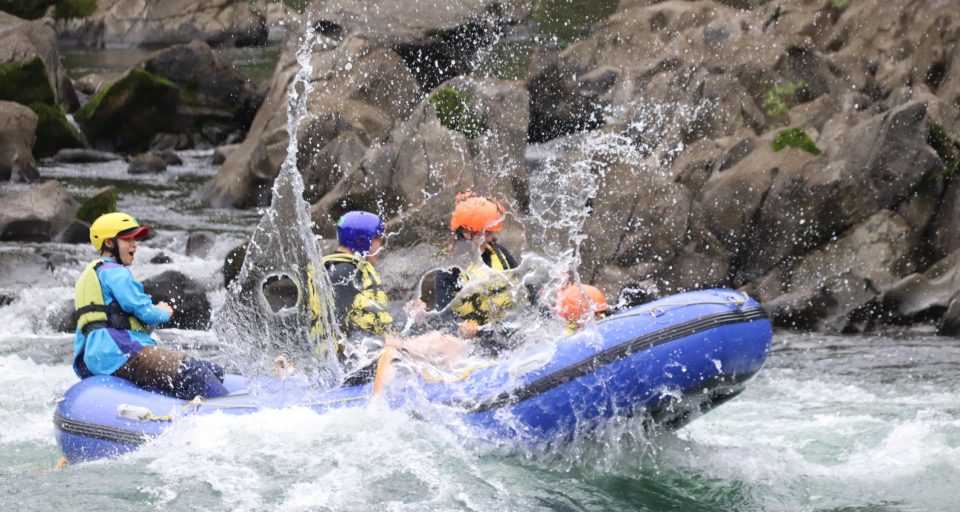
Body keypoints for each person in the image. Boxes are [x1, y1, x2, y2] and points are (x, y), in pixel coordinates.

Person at [74, 212, 228, 399]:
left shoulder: (89, 276)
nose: (134, 244)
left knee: (214, 370)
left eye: (135, 239)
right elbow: (145, 311)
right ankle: (228, 414)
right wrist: (162, 311)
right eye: (127, 239)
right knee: (194, 371)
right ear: (109, 243)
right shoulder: (116, 273)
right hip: (119, 351)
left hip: (96, 357)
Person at [323, 211, 464, 383]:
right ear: (363, 241)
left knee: (434, 336)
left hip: (355, 358)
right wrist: (389, 340)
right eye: (378, 240)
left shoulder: (339, 269)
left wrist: (407, 314)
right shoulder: (343, 273)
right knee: (449, 344)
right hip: (354, 366)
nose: (381, 247)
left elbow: (366, 315)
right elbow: (345, 327)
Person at [434, 193, 520, 340]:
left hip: (511, 328)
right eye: (487, 232)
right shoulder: (448, 272)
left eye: (492, 231)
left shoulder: (501, 253)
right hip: (478, 341)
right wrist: (461, 328)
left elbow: (527, 287)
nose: (492, 237)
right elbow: (445, 318)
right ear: (467, 233)